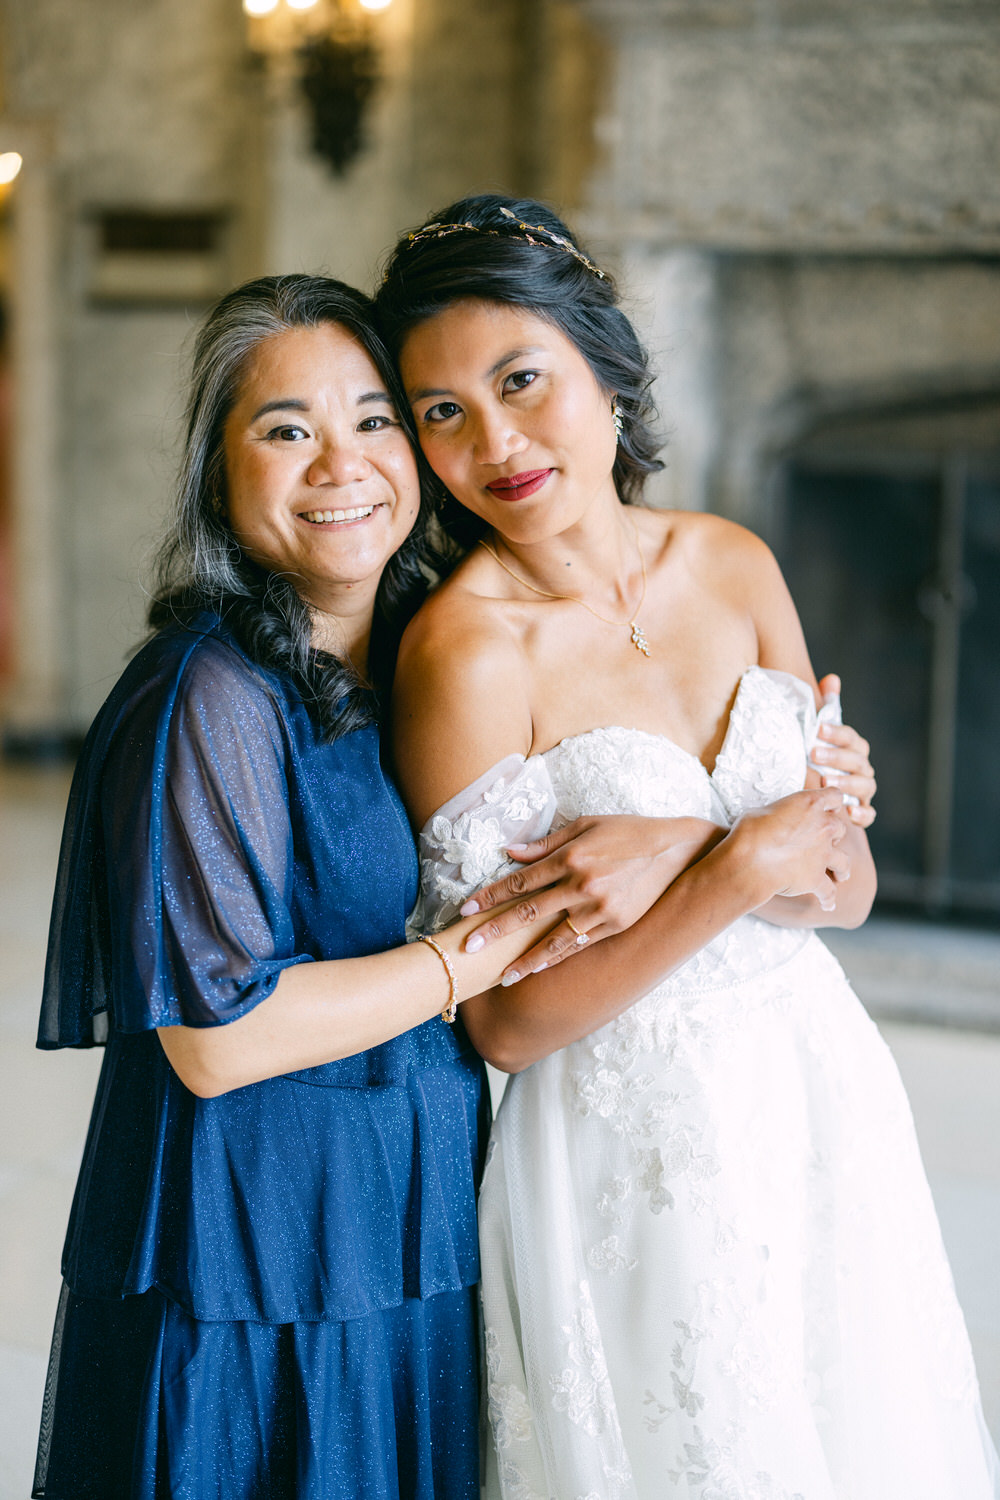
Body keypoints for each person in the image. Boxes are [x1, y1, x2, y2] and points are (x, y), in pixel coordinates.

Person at [376, 196, 1000, 1498]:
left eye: (521, 379)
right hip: (635, 1137)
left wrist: (740, 849)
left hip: (818, 1087)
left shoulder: (733, 562)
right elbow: (503, 1025)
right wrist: (724, 865)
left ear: (605, 367)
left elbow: (843, 887)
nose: (493, 440)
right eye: (442, 411)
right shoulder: (466, 654)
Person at [32, 274, 569, 1500]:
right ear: (219, 476)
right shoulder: (208, 693)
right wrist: (471, 960)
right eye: (287, 431)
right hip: (253, 1248)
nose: (343, 463)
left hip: (402, 1215)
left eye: (375, 419)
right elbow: (218, 1040)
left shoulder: (434, 651)